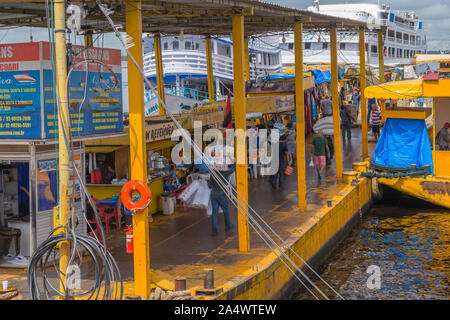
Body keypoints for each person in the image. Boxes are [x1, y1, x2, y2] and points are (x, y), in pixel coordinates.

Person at [207, 167, 235, 236]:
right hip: (222, 195)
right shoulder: (224, 173)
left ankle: (214, 230)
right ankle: (228, 226)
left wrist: (208, 181)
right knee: (226, 210)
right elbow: (233, 169)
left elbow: (210, 186)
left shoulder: (213, 174)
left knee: (214, 213)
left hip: (213, 195)